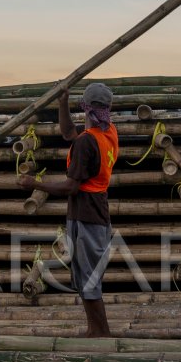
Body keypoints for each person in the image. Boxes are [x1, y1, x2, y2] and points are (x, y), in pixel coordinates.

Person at [18, 82, 118, 337]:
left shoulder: (88, 142)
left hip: (87, 215)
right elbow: (69, 133)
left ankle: (102, 334)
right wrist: (62, 103)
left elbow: (71, 187)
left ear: (85, 108)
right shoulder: (108, 133)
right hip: (95, 213)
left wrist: (34, 184)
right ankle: (93, 330)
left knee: (89, 280)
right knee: (87, 277)